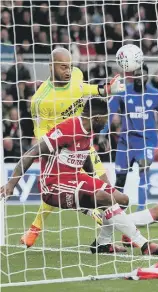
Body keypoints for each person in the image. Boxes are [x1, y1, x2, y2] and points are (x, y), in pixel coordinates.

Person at [1, 98, 158, 255]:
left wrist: (93, 178)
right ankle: (143, 244)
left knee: (122, 199)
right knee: (104, 198)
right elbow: (32, 152)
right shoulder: (68, 128)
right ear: (97, 118)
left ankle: (102, 243)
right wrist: (11, 184)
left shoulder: (89, 130)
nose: (107, 123)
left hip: (75, 179)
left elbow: (84, 155)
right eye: (105, 119)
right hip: (53, 184)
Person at [21, 47, 125, 248]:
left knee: (104, 184)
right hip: (60, 148)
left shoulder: (77, 75)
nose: (68, 71)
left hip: (83, 141)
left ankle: (121, 232)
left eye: (69, 66)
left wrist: (105, 90)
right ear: (51, 67)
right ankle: (36, 227)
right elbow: (39, 130)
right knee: (58, 192)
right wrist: (53, 147)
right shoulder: (40, 100)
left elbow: (83, 89)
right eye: (63, 67)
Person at [104, 64, 158, 211]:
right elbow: (110, 111)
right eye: (138, 74)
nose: (141, 77)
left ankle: (141, 211)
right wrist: (103, 133)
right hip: (126, 142)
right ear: (133, 76)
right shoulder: (123, 91)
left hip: (147, 141)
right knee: (120, 178)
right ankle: (117, 211)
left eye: (144, 74)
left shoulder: (154, 94)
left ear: (147, 76)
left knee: (143, 168)